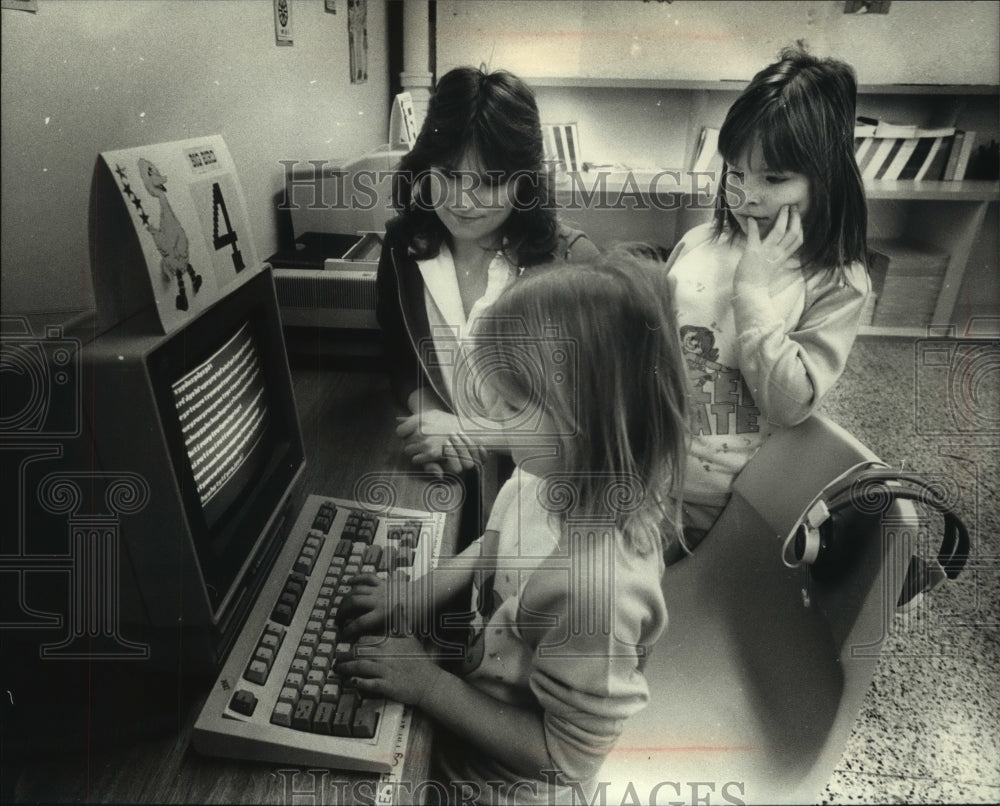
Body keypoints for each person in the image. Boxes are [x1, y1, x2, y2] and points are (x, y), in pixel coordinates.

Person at [338, 253, 688, 804]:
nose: (492, 413)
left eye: (514, 402)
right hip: (471, 713)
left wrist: (427, 684)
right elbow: (492, 548)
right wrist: (414, 594)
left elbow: (564, 759)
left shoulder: (597, 588)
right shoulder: (541, 480)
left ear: (589, 420)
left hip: (502, 784)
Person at [664, 43, 871, 554]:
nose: (747, 195)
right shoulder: (699, 242)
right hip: (646, 468)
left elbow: (789, 404)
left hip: (725, 507)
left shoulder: (837, 282)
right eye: (735, 173)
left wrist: (752, 291)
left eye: (774, 178)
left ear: (826, 179)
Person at [376, 66, 599, 485]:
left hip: (544, 494)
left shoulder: (574, 261)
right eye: (449, 174)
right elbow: (400, 358)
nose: (463, 201)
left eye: (491, 182)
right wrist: (427, 412)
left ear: (525, 181)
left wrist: (469, 433)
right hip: (448, 480)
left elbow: (595, 416)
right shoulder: (400, 248)